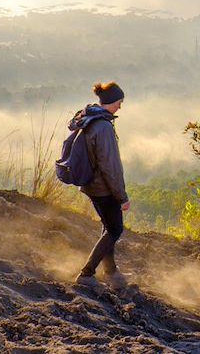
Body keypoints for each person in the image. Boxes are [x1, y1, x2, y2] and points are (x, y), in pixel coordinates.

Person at [74, 81, 130, 290]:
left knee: (108, 227)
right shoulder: (103, 127)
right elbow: (110, 167)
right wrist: (122, 197)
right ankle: (87, 273)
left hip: (91, 185)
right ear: (110, 102)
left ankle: (111, 271)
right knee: (115, 229)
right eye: (119, 102)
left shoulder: (89, 119)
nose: (120, 107)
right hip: (103, 187)